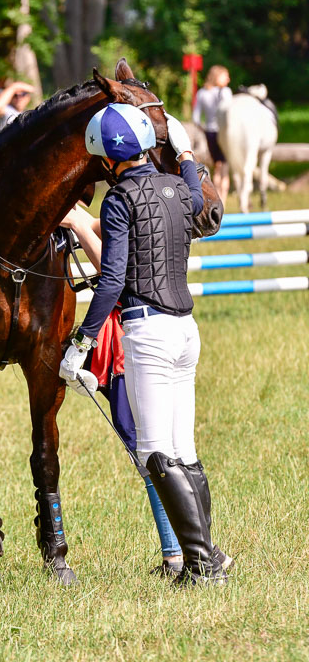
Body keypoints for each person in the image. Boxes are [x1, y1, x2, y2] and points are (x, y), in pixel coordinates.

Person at [59, 103, 229, 586]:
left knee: (156, 455)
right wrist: (187, 150)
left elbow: (111, 280)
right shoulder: (178, 188)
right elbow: (197, 189)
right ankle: (202, 559)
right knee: (185, 451)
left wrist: (82, 340)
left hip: (148, 332)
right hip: (186, 331)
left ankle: (203, 564)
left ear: (108, 158)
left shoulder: (117, 202)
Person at [192, 65, 232, 208]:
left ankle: (217, 199)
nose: (228, 79)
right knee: (225, 166)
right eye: (225, 76)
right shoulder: (225, 92)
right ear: (217, 77)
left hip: (210, 132)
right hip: (224, 132)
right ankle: (224, 200)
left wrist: (205, 129)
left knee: (217, 166)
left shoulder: (202, 93)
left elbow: (196, 118)